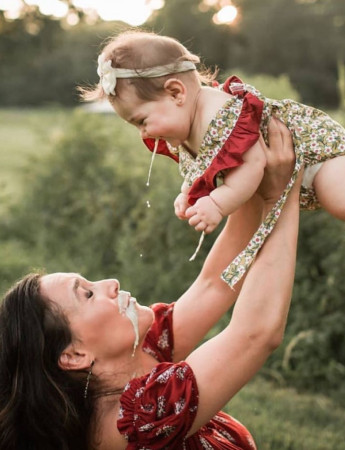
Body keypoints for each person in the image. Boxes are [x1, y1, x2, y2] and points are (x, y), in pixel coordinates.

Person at [0, 121, 300, 449]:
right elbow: (255, 335)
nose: (110, 283)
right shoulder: (130, 422)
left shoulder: (139, 349)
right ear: (74, 354)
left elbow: (214, 284)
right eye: (87, 293)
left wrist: (244, 163)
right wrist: (279, 197)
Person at [80, 30, 345, 288]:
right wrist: (190, 193)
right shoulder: (186, 124)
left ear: (176, 91)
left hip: (319, 152)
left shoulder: (217, 114)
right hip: (301, 168)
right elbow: (206, 167)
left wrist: (218, 203)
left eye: (141, 121)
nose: (143, 133)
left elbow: (254, 165)